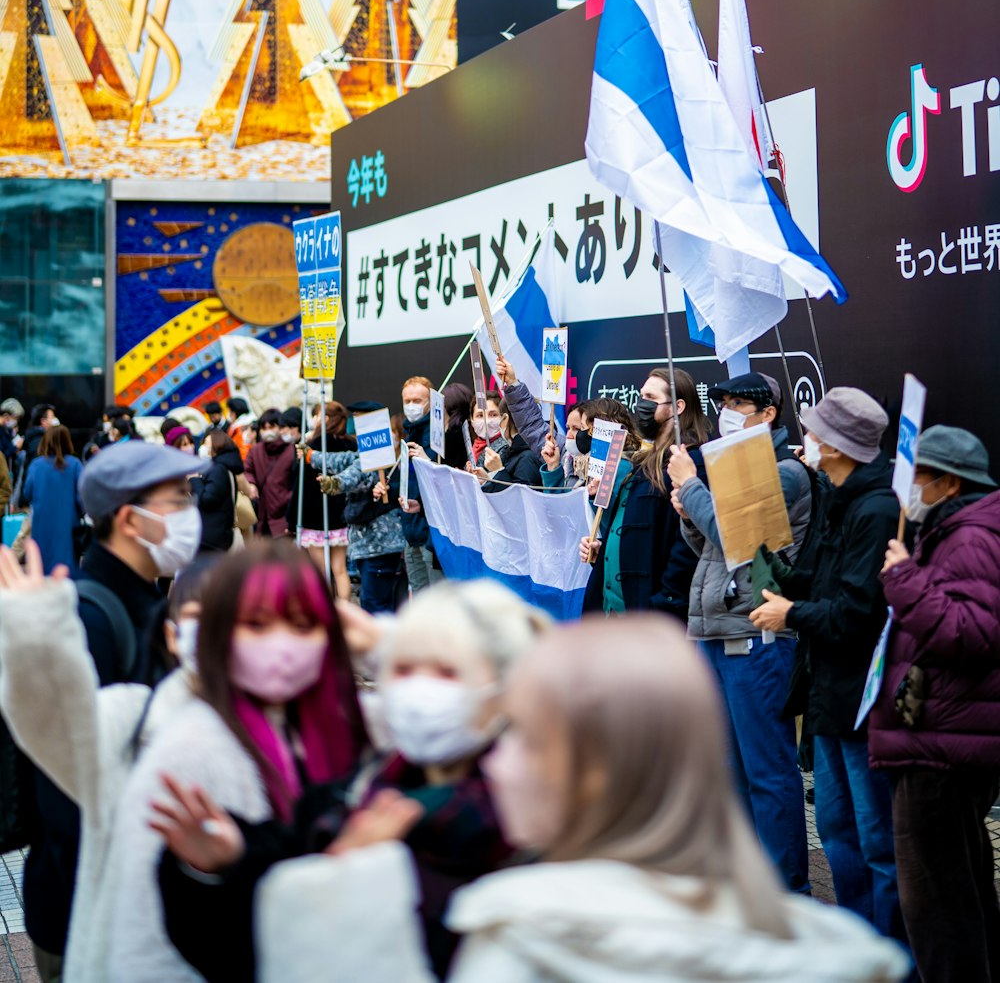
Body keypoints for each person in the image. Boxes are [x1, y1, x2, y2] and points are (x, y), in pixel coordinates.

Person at [255, 615, 910, 983]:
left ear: (596, 775)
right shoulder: (829, 952)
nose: (499, 760)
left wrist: (330, 903)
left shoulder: (524, 950)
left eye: (526, 739)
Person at [152, 579, 549, 982]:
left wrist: (349, 883)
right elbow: (256, 947)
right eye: (404, 669)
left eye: (447, 673)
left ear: (506, 689)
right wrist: (226, 865)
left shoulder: (535, 839)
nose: (419, 690)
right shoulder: (356, 796)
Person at [108, 541, 368, 983]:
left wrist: (384, 647)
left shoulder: (348, 729)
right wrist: (208, 873)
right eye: (257, 625)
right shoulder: (188, 748)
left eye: (303, 625)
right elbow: (142, 941)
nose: (281, 645)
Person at [15, 440, 208, 981]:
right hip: (87, 905)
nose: (190, 513)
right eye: (178, 499)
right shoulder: (86, 615)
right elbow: (67, 784)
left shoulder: (143, 605)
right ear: (130, 519)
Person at [750, 387, 903, 942]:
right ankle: (855, 942)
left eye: (815, 433)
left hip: (863, 699)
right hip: (829, 694)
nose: (806, 440)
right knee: (837, 828)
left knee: (877, 839)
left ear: (836, 445)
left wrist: (791, 614)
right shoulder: (835, 495)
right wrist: (768, 559)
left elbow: (859, 612)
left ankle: (890, 954)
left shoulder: (878, 507)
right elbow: (814, 578)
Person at [669, 371, 812, 894]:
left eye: (738, 404)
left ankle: (785, 896)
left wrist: (690, 485)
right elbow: (711, 545)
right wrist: (688, 510)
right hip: (713, 632)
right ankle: (747, 888)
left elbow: (736, 534)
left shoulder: (784, 471)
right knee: (729, 774)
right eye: (723, 402)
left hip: (756, 639)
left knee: (767, 775)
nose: (727, 411)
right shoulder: (735, 465)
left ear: (769, 413)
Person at [868, 425, 1000, 983]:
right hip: (942, 736)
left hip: (942, 744)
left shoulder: (971, 538)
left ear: (947, 483)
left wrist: (903, 580)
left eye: (916, 476)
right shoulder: (954, 530)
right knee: (959, 894)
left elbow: (972, 634)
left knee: (938, 906)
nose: (907, 488)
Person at [579, 366, 703, 621]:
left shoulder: (689, 463)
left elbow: (688, 545)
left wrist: (663, 606)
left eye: (651, 399)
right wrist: (604, 551)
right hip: (611, 613)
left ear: (678, 407)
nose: (642, 404)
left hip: (649, 620)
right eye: (641, 396)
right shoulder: (642, 464)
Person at [288, 403, 360, 600]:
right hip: (342, 515)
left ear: (326, 418)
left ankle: (329, 615)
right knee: (340, 569)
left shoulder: (313, 446)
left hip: (314, 517)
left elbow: (300, 484)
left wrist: (292, 518)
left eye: (318, 415)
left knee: (321, 571)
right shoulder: (351, 446)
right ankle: (344, 609)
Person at [20, 423, 84, 573]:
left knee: (42, 565)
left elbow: (27, 493)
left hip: (41, 523)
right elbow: (82, 497)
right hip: (68, 524)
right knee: (66, 569)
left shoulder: (36, 465)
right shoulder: (75, 464)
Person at [398, 375, 441, 595]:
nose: (412, 406)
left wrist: (429, 461)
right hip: (410, 530)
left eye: (417, 400)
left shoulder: (437, 434)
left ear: (430, 402)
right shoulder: (407, 435)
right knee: (420, 596)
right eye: (408, 401)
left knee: (437, 600)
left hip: (431, 532)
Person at [348, 452, 406, 613]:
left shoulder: (398, 468)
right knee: (371, 602)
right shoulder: (367, 464)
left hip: (382, 548)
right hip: (367, 548)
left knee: (376, 605)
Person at [245, 408, 296, 538]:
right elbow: (247, 470)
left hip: (285, 517)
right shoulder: (255, 451)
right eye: (263, 427)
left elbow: (297, 481)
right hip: (262, 516)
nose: (267, 431)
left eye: (272, 426)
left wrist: (287, 497)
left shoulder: (292, 451)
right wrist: (251, 484)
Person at [476, 401, 543, 492]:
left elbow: (521, 500)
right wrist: (488, 478)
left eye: (499, 417)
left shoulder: (527, 458)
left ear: (505, 419)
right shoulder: (514, 450)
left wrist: (498, 470)